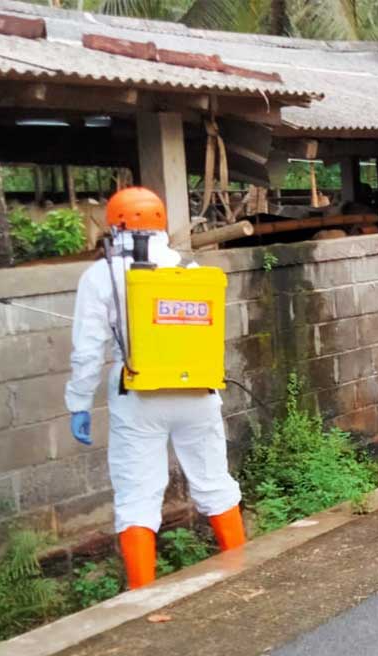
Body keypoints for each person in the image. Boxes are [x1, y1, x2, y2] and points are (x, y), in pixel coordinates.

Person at [66, 187, 245, 589]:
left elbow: (87, 351)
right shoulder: (189, 268)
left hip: (138, 397)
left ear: (114, 226)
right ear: (161, 223)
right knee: (214, 483)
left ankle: (142, 597)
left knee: (137, 496)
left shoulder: (100, 275)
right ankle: (242, 574)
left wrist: (79, 403)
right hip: (197, 392)